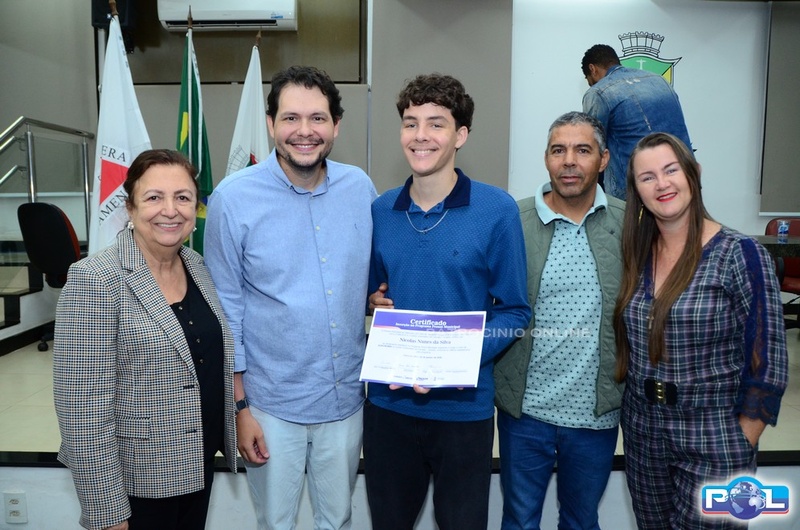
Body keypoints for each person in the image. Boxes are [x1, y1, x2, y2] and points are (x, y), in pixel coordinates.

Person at [204, 65, 377, 529]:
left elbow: (366, 281)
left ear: (336, 126)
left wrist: (376, 298)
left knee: (337, 519)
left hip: (344, 400)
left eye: (318, 118)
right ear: (271, 124)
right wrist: (240, 409)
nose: (305, 131)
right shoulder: (232, 199)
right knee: (276, 523)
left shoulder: (360, 189)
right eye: (291, 118)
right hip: (270, 405)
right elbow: (226, 313)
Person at [365, 73, 531, 530]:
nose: (420, 135)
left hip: (463, 411)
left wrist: (454, 360)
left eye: (436, 124)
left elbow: (515, 310)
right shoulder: (380, 210)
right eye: (410, 123)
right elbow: (373, 295)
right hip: (388, 408)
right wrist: (372, 302)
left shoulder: (496, 210)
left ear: (460, 135)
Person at [53, 149, 237, 530]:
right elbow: (81, 412)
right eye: (154, 197)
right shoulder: (95, 279)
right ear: (130, 207)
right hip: (137, 484)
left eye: (182, 197)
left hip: (195, 467)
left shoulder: (196, 265)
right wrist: (108, 512)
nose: (170, 210)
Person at [614, 132, 788, 529]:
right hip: (643, 435)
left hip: (715, 437)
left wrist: (741, 442)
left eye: (671, 170)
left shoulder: (740, 253)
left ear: (694, 173)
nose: (662, 184)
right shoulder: (636, 256)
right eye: (647, 177)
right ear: (636, 190)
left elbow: (770, 362)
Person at [494, 111, 625, 530]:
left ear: (603, 159)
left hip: (596, 415)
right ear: (546, 158)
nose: (569, 161)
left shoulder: (629, 224)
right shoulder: (512, 221)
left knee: (581, 521)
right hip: (525, 412)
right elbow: (470, 288)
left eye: (582, 150)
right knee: (519, 520)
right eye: (558, 150)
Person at [581, 43, 692, 200]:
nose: (591, 84)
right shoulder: (659, 81)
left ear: (592, 69)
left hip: (635, 192)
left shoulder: (598, 92)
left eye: (589, 80)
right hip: (682, 180)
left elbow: (592, 145)